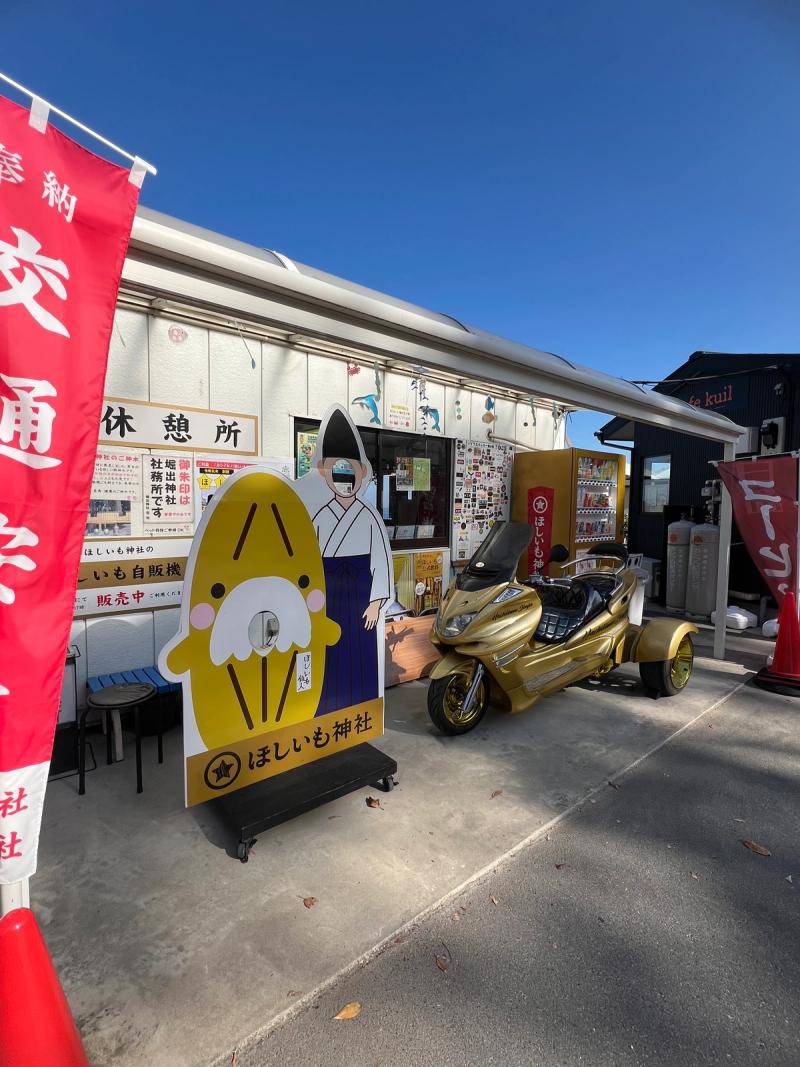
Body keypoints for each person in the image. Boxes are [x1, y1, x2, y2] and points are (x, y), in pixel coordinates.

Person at [306, 406, 392, 716]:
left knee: (360, 651)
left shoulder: (368, 516)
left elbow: (380, 560)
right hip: (328, 594)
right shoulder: (319, 517)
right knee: (330, 654)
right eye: (336, 472)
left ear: (363, 473)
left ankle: (361, 709)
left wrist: (375, 602)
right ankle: (328, 708)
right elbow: (308, 563)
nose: (344, 480)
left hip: (360, 596)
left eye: (350, 472)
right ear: (323, 472)